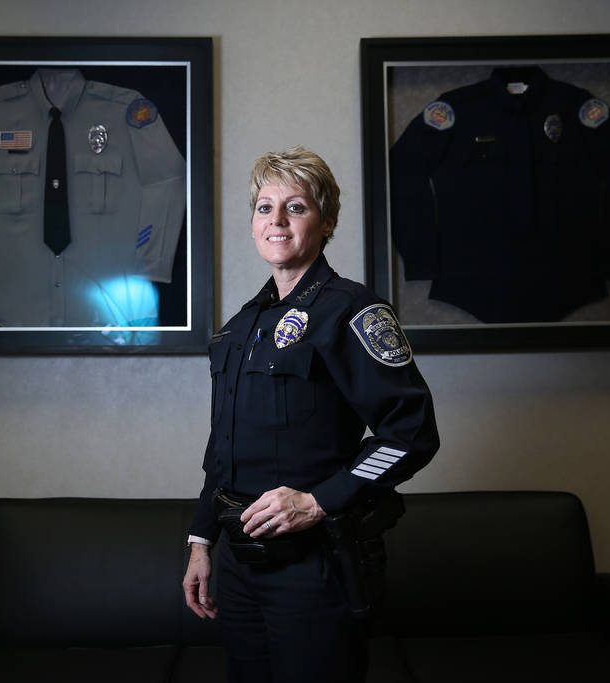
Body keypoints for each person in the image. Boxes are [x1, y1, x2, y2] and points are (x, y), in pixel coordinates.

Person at [182, 146, 439, 683]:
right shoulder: (239, 327)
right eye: (263, 207)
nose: (275, 221)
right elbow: (221, 447)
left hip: (311, 566)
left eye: (295, 207)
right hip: (236, 565)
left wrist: (320, 500)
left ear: (327, 222)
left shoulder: (351, 310)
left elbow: (411, 432)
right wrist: (202, 542)